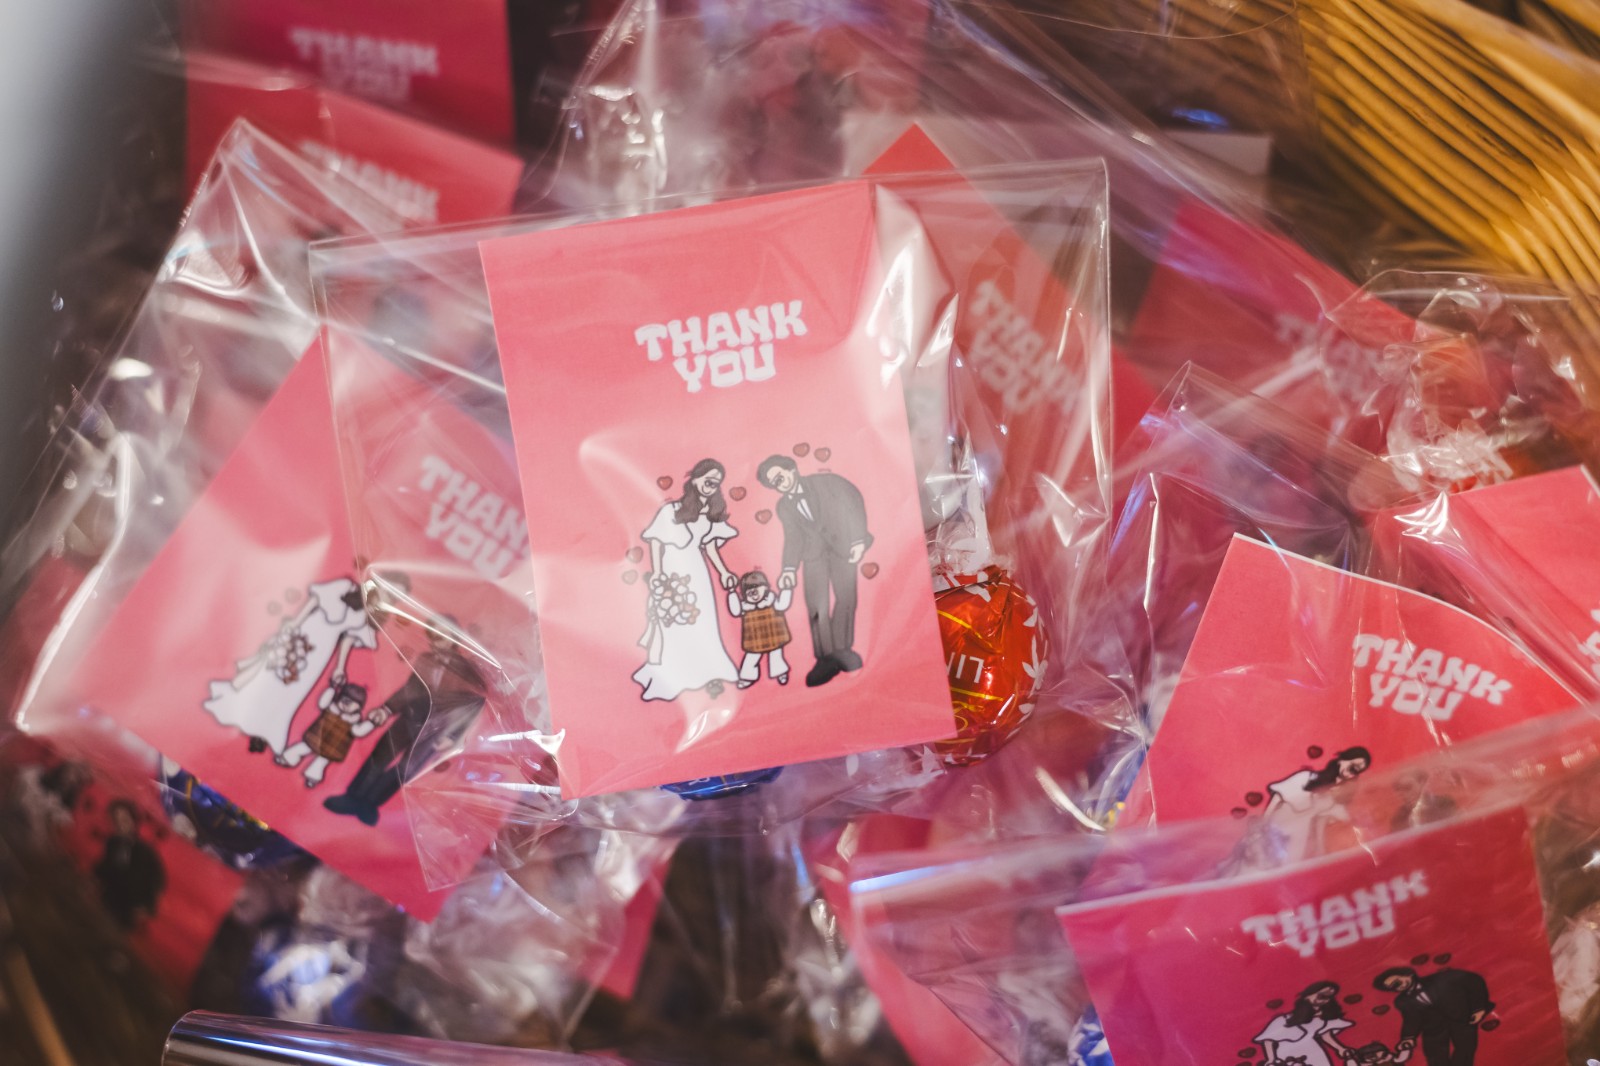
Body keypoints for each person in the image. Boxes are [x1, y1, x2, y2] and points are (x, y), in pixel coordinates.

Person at [323, 619, 486, 826]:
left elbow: (472, 703)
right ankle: (352, 797)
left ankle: (370, 803)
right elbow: (410, 689)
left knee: (407, 769)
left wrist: (453, 735)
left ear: (454, 638)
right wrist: (386, 709)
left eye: (443, 635)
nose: (437, 639)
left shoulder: (465, 670)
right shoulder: (426, 659)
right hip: (409, 716)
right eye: (433, 634)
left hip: (435, 729)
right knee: (380, 756)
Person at [204, 576, 379, 757]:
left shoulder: (364, 611)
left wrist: (339, 668)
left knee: (292, 694)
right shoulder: (345, 587)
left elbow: (347, 639)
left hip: (321, 654)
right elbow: (315, 600)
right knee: (272, 676)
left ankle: (265, 732)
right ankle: (243, 711)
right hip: (304, 634)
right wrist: (296, 623)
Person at [756, 454, 872, 687]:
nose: (780, 484)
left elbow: (854, 501)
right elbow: (793, 538)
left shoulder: (827, 482)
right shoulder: (784, 506)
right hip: (813, 558)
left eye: (780, 477)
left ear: (792, 469)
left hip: (842, 549)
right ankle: (825, 658)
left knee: (846, 598)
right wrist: (789, 569)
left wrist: (858, 540)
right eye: (774, 483)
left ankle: (843, 650)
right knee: (816, 606)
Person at [634, 458, 741, 701]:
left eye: (716, 482)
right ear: (694, 479)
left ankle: (709, 672)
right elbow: (656, 541)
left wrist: (724, 572)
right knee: (672, 622)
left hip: (697, 572)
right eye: (708, 479)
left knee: (703, 622)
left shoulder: (710, 514)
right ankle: (675, 673)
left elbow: (710, 547)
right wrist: (658, 573)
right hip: (672, 572)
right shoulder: (671, 511)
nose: (711, 485)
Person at [1259, 747, 1373, 862]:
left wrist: (1320, 850)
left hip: (1299, 834)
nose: (1352, 771)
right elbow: (1277, 797)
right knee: (1263, 857)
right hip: (1277, 822)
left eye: (1357, 770)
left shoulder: (1333, 799)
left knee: (1290, 862)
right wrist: (1264, 822)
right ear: (1342, 760)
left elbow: (1333, 819)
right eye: (1353, 766)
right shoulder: (1307, 777)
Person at [1374, 965, 1493, 1066]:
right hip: (1433, 1030)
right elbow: (1411, 1020)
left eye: (1396, 983)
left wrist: (1478, 1008)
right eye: (1392, 988)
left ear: (1408, 974)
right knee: (1435, 1058)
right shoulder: (1401, 1001)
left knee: (1465, 1051)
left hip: (1462, 1020)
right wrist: (1408, 1037)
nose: (1397, 988)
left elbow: (1475, 982)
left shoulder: (1444, 978)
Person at [277, 682, 378, 788]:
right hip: (315, 736)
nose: (346, 705)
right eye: (345, 700)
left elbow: (359, 732)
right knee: (302, 747)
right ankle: (287, 758)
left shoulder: (353, 721)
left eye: (352, 704)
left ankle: (312, 778)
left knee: (321, 762)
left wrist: (371, 723)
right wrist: (332, 688)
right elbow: (322, 703)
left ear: (358, 708)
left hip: (332, 747)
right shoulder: (331, 707)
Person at [93, 799, 166, 931]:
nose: (121, 825)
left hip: (127, 910)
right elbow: (105, 868)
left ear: (133, 821)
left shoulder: (145, 851)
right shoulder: (112, 843)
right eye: (116, 821)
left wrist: (145, 906)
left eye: (124, 820)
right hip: (107, 902)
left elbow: (158, 880)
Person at [1254, 981, 1357, 1066]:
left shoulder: (1321, 1019)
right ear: (1308, 995)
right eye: (1321, 996)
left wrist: (1340, 1048)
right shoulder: (1284, 1020)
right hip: (1288, 1055)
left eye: (1328, 998)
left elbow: (1326, 1035)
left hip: (1314, 1052)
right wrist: (1271, 1059)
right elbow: (1268, 1040)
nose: (1324, 1000)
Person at [726, 569, 792, 687]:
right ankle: (747, 677)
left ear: (766, 588)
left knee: (776, 655)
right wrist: (731, 592)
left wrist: (786, 589)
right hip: (754, 638)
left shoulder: (771, 600)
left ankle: (780, 673)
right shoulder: (745, 606)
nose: (753, 592)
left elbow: (782, 605)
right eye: (749, 590)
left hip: (773, 634)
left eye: (757, 588)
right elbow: (735, 611)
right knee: (751, 658)